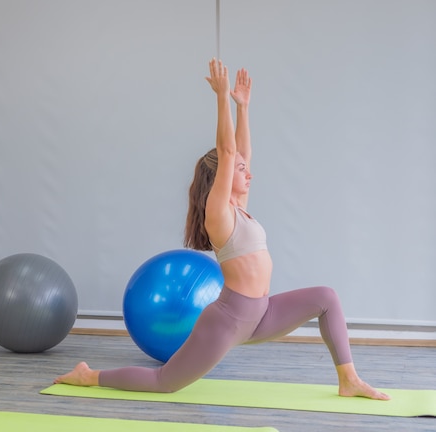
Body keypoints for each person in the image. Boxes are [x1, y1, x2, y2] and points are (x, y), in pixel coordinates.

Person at [54, 58, 390, 401]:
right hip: (228, 321)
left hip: (262, 314)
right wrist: (220, 98)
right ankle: (89, 376)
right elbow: (229, 152)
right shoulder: (219, 214)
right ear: (223, 178)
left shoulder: (241, 211)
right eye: (241, 171)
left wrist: (242, 108)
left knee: (326, 298)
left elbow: (240, 152)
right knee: (164, 382)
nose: (249, 173)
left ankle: (348, 380)